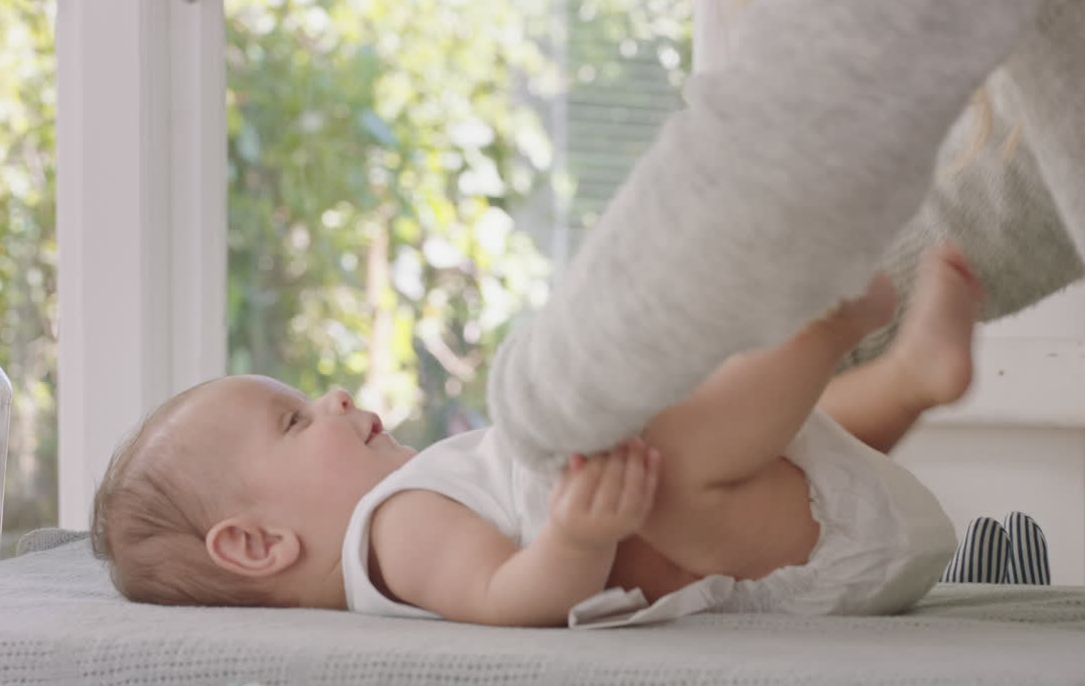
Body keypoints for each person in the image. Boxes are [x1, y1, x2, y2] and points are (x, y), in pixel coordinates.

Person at [485, 0, 1085, 637]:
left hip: (802, 518)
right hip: (828, 506)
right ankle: (895, 371)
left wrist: (536, 409)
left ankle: (881, 364)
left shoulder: (404, 518)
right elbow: (1052, 180)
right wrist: (818, 322)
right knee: (758, 453)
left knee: (678, 478)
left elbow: (785, 142)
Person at [90, 246, 980, 627]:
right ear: (255, 543)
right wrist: (581, 534)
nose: (328, 396)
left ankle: (907, 380)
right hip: (789, 555)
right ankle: (826, 329)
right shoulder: (389, 533)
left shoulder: (426, 490)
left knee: (737, 445)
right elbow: (510, 598)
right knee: (664, 463)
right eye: (291, 420)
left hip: (804, 525)